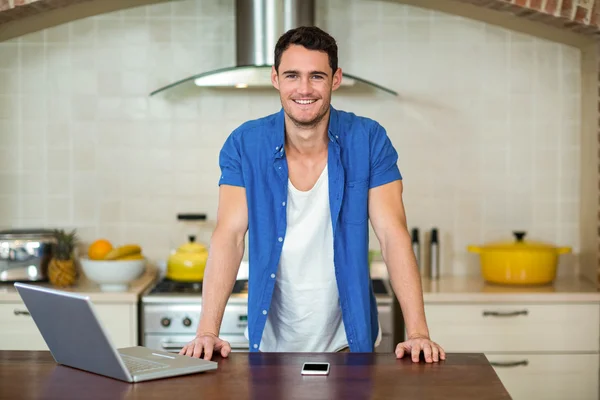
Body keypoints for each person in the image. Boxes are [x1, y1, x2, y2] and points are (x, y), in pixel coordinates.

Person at [179, 26, 445, 363]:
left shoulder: (369, 139)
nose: (304, 89)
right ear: (275, 78)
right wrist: (207, 330)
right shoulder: (245, 144)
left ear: (335, 79)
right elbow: (229, 236)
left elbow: (393, 235)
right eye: (292, 75)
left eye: (316, 76)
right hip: (272, 345)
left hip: (350, 342)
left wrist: (418, 332)